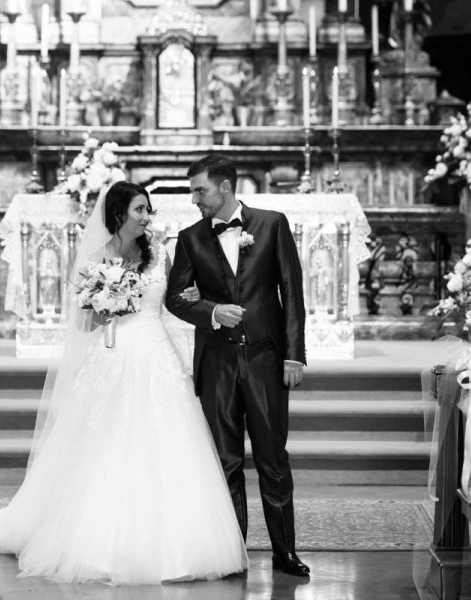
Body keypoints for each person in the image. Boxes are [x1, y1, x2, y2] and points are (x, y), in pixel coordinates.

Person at [0, 181, 248, 584]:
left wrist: (210, 309)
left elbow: (177, 299)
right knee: (109, 443)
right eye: (139, 210)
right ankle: (99, 539)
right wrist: (106, 302)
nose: (147, 217)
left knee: (168, 440)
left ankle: (185, 542)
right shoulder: (95, 260)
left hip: (157, 355)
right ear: (118, 215)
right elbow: (85, 322)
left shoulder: (160, 254)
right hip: (114, 357)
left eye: (148, 210)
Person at [165, 155, 310, 577]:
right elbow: (175, 298)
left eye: (200, 191)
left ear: (224, 187)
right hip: (217, 363)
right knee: (225, 462)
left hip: (266, 359)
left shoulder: (271, 224)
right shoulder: (190, 238)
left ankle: (285, 552)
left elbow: (291, 293)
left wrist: (294, 354)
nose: (195, 199)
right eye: (193, 192)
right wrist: (211, 311)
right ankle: (233, 553)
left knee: (272, 459)